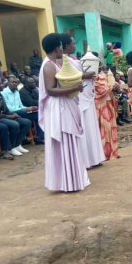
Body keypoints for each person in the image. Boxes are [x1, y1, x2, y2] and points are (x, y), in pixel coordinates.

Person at [38, 33, 90, 192]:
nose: (63, 49)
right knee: (65, 141)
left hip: (64, 104)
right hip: (57, 108)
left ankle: (72, 179)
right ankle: (67, 181)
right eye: (61, 46)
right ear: (56, 48)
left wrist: (74, 86)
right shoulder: (49, 65)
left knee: (70, 142)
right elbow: (50, 90)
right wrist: (74, 88)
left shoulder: (55, 62)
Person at [59, 34, 105, 168]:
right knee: (83, 128)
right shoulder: (63, 60)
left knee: (91, 127)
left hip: (87, 95)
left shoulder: (73, 59)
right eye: (73, 43)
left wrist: (90, 73)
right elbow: (69, 77)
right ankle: (85, 161)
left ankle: (94, 158)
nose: (75, 45)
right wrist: (86, 75)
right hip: (78, 97)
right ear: (66, 45)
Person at [0, 78, 31, 157]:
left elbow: (5, 109)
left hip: (3, 116)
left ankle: (17, 144)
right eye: (0, 84)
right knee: (14, 124)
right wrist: (9, 116)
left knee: (26, 122)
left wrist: (13, 114)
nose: (2, 85)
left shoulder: (0, 94)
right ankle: (10, 148)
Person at [2, 75, 43, 144]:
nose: (14, 84)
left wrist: (28, 108)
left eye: (16, 82)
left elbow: (21, 105)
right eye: (12, 82)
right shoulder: (4, 93)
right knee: (36, 115)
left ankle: (39, 138)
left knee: (38, 113)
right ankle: (38, 138)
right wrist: (25, 110)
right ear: (8, 83)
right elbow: (9, 109)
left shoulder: (16, 92)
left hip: (20, 112)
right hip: (11, 113)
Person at [94, 65, 120, 160]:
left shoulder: (105, 76)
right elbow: (101, 92)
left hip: (109, 104)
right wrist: (112, 87)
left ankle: (113, 151)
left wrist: (115, 87)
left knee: (112, 128)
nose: (102, 67)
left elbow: (114, 90)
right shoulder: (94, 79)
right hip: (101, 106)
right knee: (105, 129)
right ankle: (105, 153)